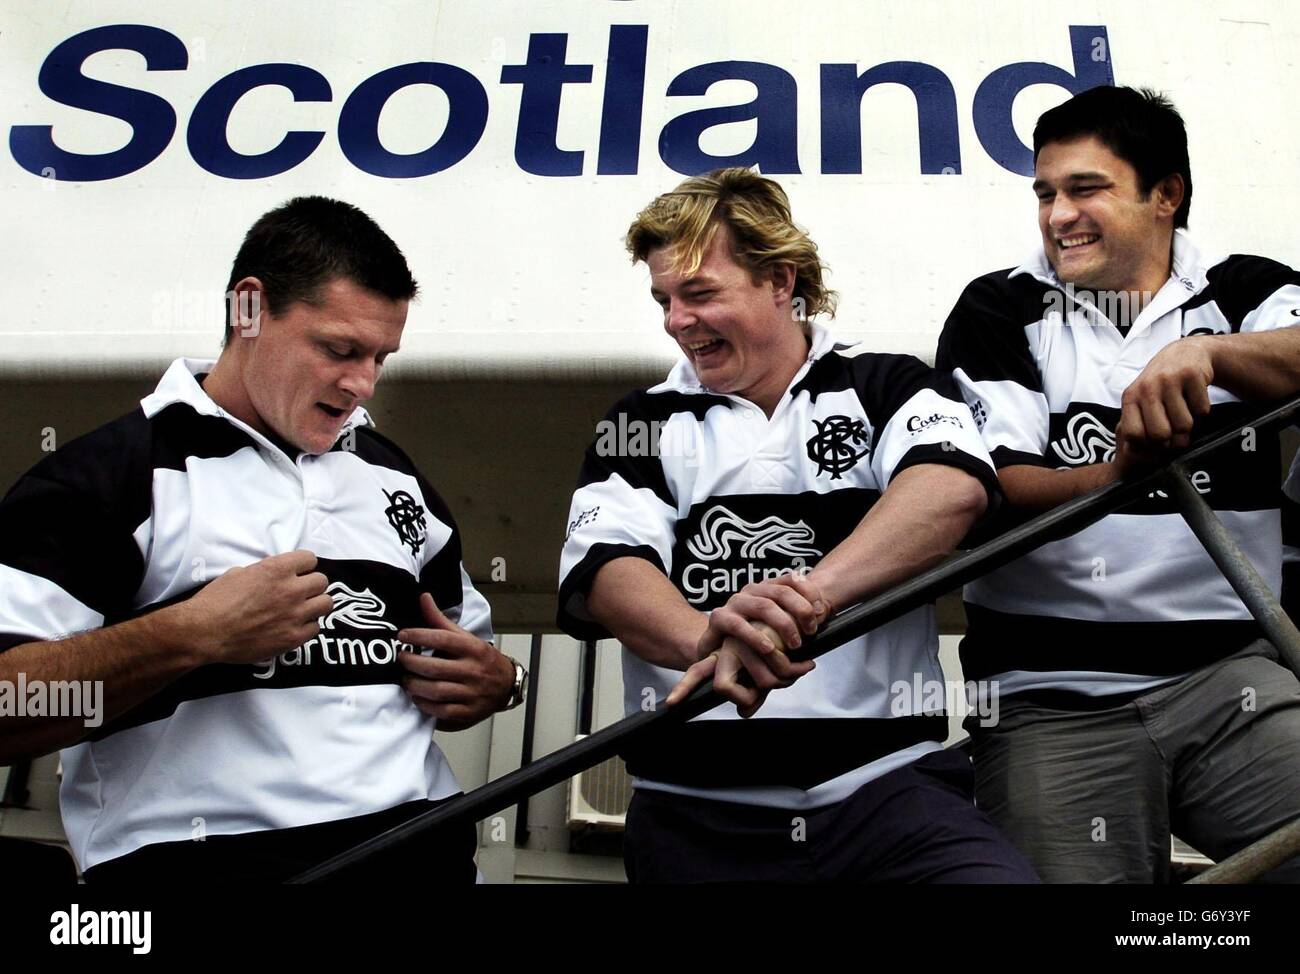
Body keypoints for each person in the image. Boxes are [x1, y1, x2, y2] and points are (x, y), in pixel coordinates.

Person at [0, 196, 527, 882]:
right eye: (339, 349)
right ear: (248, 309)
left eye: (380, 357)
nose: (362, 384)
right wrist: (192, 633)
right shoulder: (106, 476)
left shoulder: (392, 474)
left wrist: (501, 684)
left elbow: (469, 658)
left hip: (424, 854)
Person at [557, 168, 1038, 883]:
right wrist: (707, 637)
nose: (676, 321)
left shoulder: (888, 383)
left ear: (781, 282)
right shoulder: (641, 419)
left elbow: (951, 489)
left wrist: (802, 601)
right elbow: (604, 573)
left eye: (700, 293)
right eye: (664, 300)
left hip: (885, 795)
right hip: (696, 814)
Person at [935, 85, 1300, 883]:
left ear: (1165, 194)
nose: (1058, 214)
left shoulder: (1241, 289)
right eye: (1045, 193)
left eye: (1084, 188)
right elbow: (996, 488)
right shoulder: (1000, 305)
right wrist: (1117, 475)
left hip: (1232, 675)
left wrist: (1209, 355)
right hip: (1048, 698)